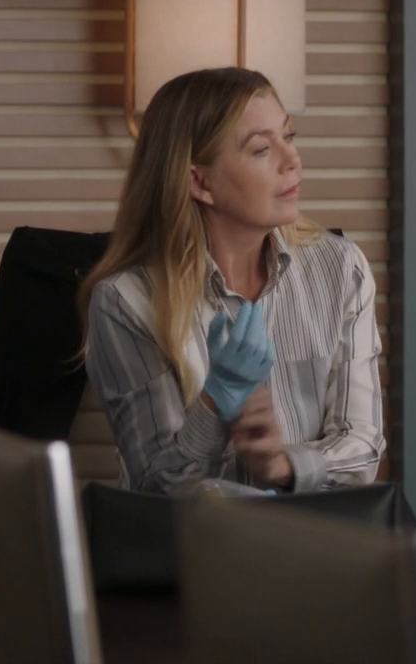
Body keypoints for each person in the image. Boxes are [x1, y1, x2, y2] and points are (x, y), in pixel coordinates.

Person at [79, 67, 385, 495]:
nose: (292, 160)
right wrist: (214, 402)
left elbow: (363, 446)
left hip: (312, 531)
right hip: (196, 536)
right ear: (199, 181)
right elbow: (157, 485)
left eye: (289, 136)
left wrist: (283, 466)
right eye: (262, 148)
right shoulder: (126, 302)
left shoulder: (340, 269)